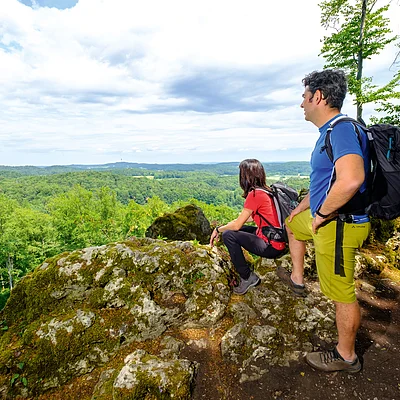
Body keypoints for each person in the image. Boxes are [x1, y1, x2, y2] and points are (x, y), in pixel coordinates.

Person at [277, 69, 370, 373]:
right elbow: (324, 181)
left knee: (340, 292)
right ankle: (298, 278)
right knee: (293, 226)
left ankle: (346, 356)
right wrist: (303, 208)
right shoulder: (329, 132)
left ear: (318, 97)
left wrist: (322, 214)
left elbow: (352, 179)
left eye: (304, 98)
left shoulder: (341, 130)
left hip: (339, 225)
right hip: (325, 221)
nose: (301, 104)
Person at [209, 159, 286, 295]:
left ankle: (247, 277)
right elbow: (246, 220)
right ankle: (246, 274)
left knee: (229, 235)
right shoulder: (266, 191)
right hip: (276, 238)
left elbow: (237, 224)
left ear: (245, 177)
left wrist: (218, 230)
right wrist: (225, 226)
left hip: (271, 246)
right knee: (235, 230)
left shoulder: (255, 195)